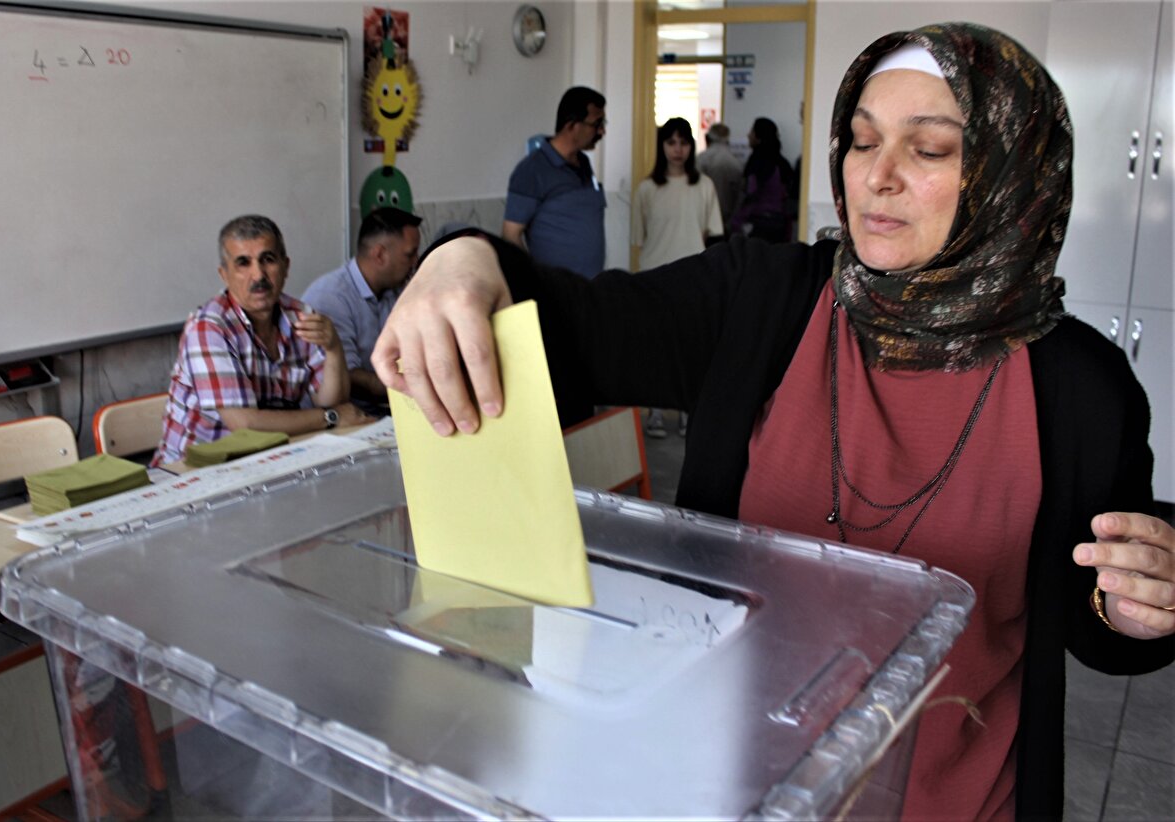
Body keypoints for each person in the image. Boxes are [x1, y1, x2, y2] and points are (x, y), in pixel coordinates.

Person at [374, 23, 1175, 820]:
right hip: (737, 788)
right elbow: (575, 325)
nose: (877, 178)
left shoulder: (1080, 388)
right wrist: (463, 258)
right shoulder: (760, 301)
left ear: (1012, 175)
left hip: (958, 803)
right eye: (861, 143)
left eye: (928, 150)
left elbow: (1098, 620)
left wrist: (1144, 598)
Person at [154, 215, 367, 464]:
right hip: (196, 470)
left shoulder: (301, 316)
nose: (258, 275)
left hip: (271, 458)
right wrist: (331, 418)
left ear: (286, 266)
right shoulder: (208, 327)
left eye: (268, 259)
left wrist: (334, 349)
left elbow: (331, 400)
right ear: (224, 274)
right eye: (243, 263)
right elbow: (245, 425)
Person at [631, 117, 722, 438]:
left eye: (684, 142)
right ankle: (655, 413)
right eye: (671, 142)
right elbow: (639, 237)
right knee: (655, 347)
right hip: (654, 276)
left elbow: (712, 235)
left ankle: (686, 411)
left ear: (691, 147)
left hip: (693, 277)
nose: (678, 149)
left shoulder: (704, 186)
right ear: (662, 146)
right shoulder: (646, 188)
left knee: (691, 347)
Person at [302, 207, 421, 414]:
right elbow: (348, 375)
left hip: (386, 408)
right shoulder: (331, 296)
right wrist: (409, 387)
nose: (415, 263)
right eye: (409, 255)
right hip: (347, 417)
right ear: (380, 255)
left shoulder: (394, 289)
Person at [502, 86, 607, 279]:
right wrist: (535, 279)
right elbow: (511, 235)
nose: (602, 131)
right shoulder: (531, 170)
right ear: (572, 125)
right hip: (557, 292)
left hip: (590, 288)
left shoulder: (583, 163)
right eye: (597, 123)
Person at [731, 117, 796, 243]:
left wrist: (735, 222)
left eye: (752, 132)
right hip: (781, 226)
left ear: (758, 137)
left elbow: (750, 194)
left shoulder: (756, 162)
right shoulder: (783, 163)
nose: (748, 135)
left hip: (757, 225)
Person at [697, 122, 744, 235]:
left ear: (707, 138)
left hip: (703, 221)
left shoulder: (701, 160)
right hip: (727, 222)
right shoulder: (736, 163)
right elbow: (739, 196)